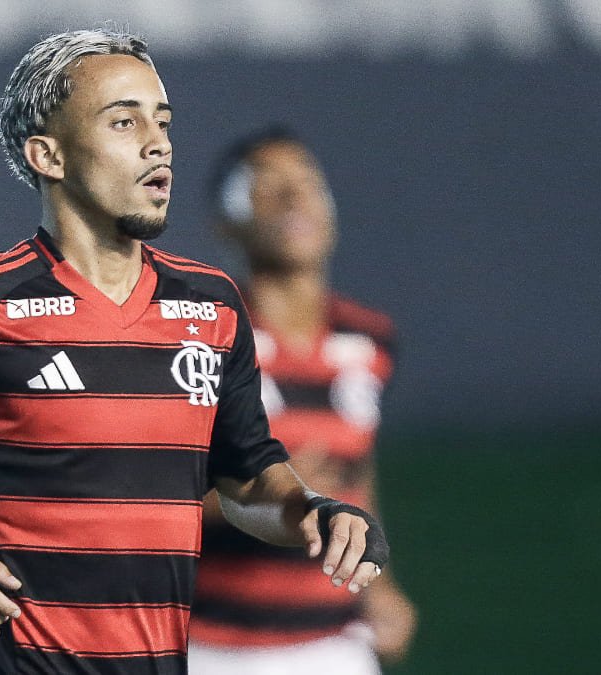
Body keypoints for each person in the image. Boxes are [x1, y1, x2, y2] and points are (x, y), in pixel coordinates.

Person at [0, 29, 388, 674]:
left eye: (162, 122)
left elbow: (248, 480)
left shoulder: (212, 307)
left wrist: (313, 511)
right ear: (48, 155)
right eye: (125, 121)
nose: (158, 143)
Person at [188, 126, 418, 674]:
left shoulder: (369, 339)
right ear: (226, 221)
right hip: (209, 643)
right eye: (268, 185)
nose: (295, 197)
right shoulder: (199, 335)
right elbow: (144, 498)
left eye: (308, 182)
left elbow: (355, 474)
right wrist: (272, 493)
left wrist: (380, 584)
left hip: (331, 643)